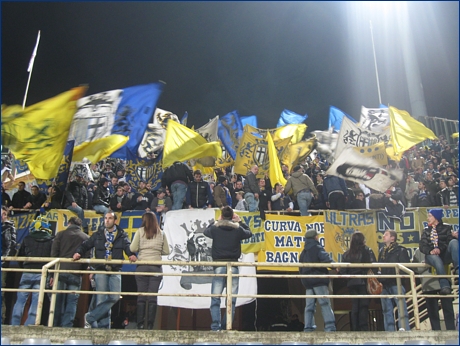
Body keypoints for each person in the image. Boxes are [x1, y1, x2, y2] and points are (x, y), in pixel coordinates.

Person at [73, 211, 137, 329]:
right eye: (105, 218)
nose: (107, 220)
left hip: (115, 270)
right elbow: (86, 244)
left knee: (115, 296)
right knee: (101, 300)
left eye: (109, 218)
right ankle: (103, 328)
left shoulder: (122, 235)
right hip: (101, 269)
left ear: (115, 221)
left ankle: (90, 317)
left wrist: (131, 254)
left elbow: (127, 246)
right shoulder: (98, 234)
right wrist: (78, 252)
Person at [203, 206, 252, 331]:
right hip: (233, 266)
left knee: (215, 298)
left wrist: (216, 221)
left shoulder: (215, 228)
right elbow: (249, 233)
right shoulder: (238, 229)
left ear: (222, 216)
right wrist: (240, 221)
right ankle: (226, 327)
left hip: (219, 266)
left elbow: (206, 231)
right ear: (232, 216)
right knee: (232, 299)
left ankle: (215, 327)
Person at [129, 212, 170, 329]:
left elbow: (133, 248)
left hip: (142, 266)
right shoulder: (161, 233)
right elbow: (167, 251)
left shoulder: (140, 231)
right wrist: (156, 251)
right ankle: (150, 325)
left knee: (141, 296)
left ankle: (140, 324)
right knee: (152, 297)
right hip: (156, 267)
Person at [11, 216, 54, 326]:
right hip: (42, 274)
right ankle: (29, 326)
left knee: (20, 301)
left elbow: (20, 256)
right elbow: (52, 257)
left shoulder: (27, 239)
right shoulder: (51, 240)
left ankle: (14, 324)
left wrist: (24, 268)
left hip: (27, 271)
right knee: (36, 302)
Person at [50, 216, 89, 327]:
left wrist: (53, 273)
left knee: (58, 300)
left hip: (60, 271)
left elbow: (54, 254)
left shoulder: (60, 234)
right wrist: (81, 271)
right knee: (72, 301)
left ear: (69, 223)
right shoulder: (85, 237)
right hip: (76, 273)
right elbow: (87, 258)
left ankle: (54, 325)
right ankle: (67, 326)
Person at [299, 229, 336, 332]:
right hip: (319, 280)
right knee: (324, 303)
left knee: (309, 306)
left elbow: (300, 268)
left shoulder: (303, 252)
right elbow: (326, 259)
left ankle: (308, 327)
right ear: (315, 237)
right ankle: (330, 327)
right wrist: (335, 266)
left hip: (308, 282)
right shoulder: (317, 248)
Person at [340, 232, 376, 331]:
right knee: (364, 305)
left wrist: (349, 279)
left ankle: (354, 328)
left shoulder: (347, 254)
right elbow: (374, 266)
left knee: (355, 305)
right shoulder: (367, 251)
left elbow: (343, 271)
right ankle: (363, 328)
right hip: (363, 281)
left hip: (352, 283)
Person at [412, 248, 456, 330]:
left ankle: (451, 330)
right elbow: (416, 268)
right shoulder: (418, 251)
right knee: (432, 311)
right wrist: (429, 263)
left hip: (444, 283)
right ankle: (436, 331)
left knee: (448, 309)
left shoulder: (443, 248)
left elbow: (449, 260)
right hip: (428, 284)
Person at [419, 208, 458, 295]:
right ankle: (444, 285)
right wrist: (431, 251)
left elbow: (448, 241)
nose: (427, 218)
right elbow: (422, 246)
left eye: (429, 216)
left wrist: (439, 249)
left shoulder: (447, 227)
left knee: (454, 242)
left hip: (444, 254)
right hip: (431, 256)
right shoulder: (426, 231)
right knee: (435, 258)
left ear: (436, 217)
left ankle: (458, 271)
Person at [377, 229, 410, 331]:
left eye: (386, 234)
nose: (383, 236)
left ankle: (404, 329)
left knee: (401, 307)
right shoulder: (382, 251)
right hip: (384, 283)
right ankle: (389, 331)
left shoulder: (401, 250)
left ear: (392, 238)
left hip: (396, 283)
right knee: (386, 310)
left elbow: (406, 267)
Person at [1, 206, 16, 321]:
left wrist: (4, 261)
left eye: (4, 214)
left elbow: (11, 246)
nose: (2, 216)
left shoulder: (9, 228)